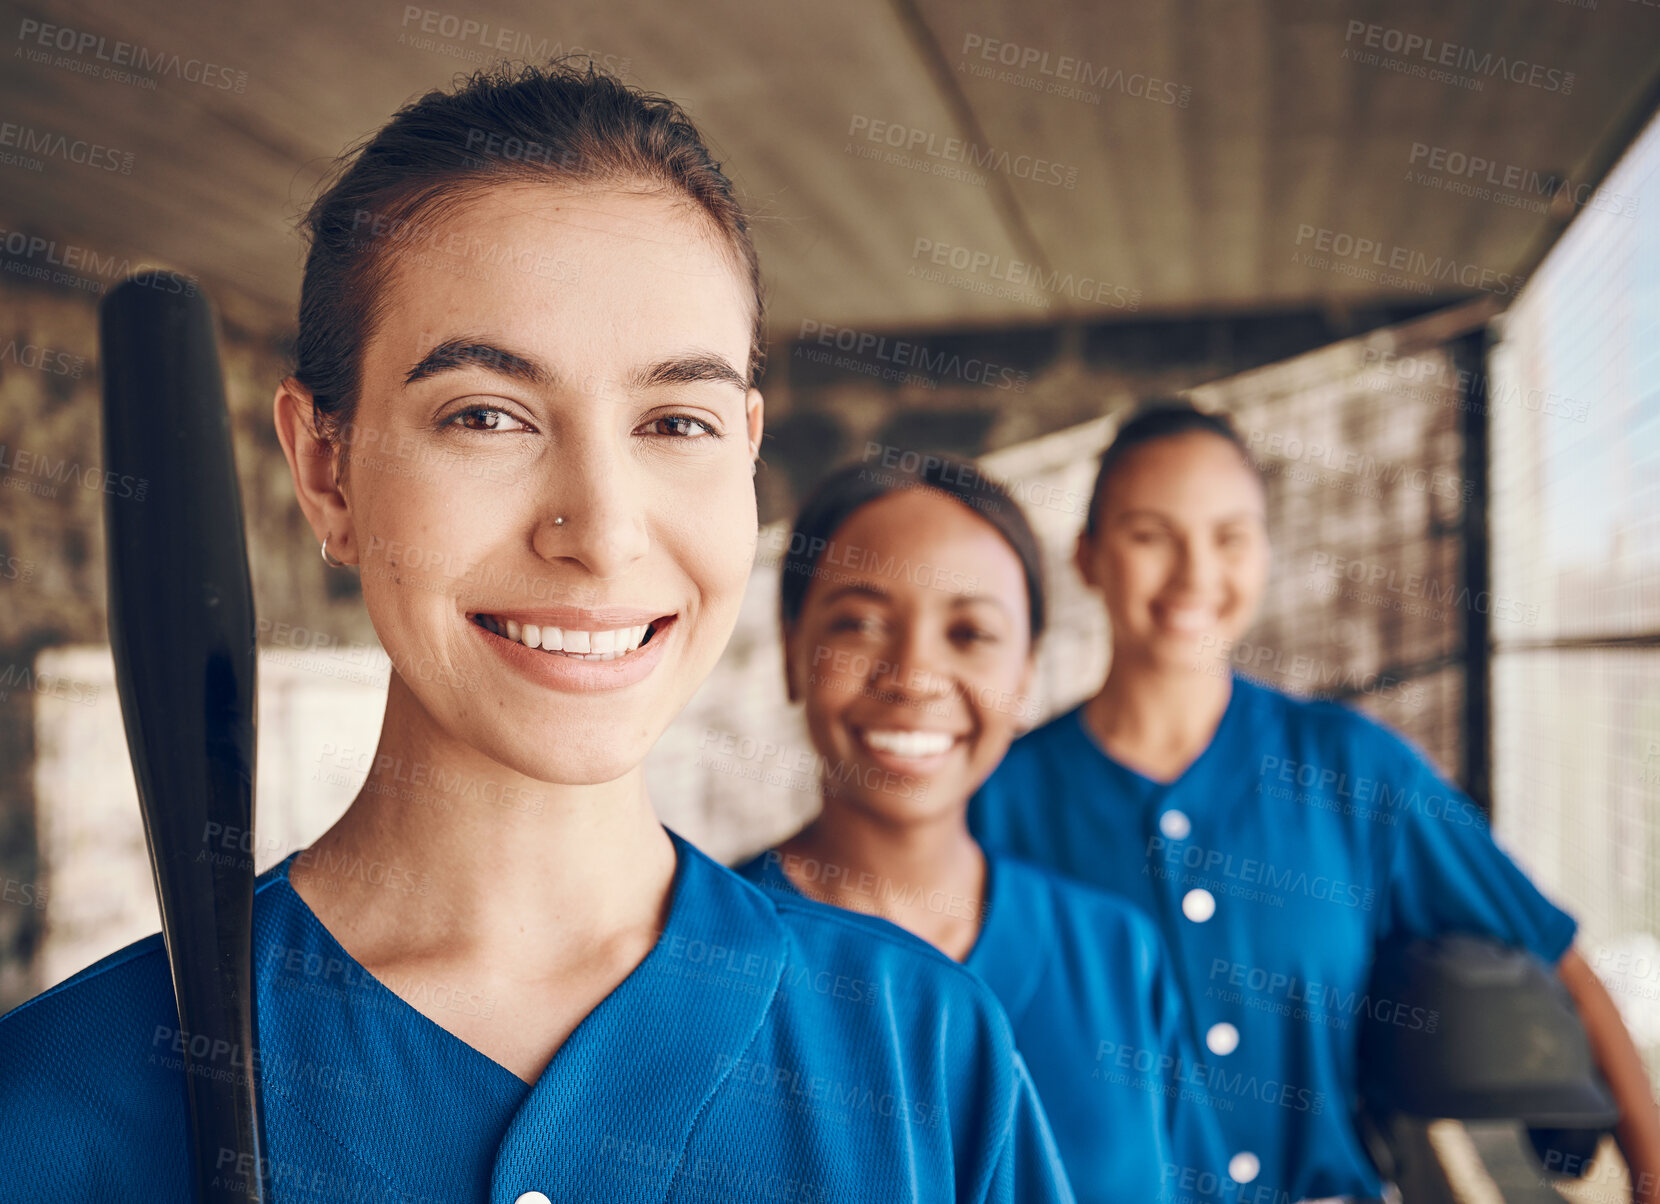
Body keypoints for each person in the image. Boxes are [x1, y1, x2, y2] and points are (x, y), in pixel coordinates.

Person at [0, 62, 1076, 1203]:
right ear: (326, 467)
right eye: (485, 413)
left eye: (676, 419)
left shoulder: (921, 1060)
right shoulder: (65, 1107)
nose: (602, 531)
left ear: (748, 449)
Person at [968, 401, 1660, 1203]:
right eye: (1150, 535)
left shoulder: (1354, 770)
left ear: (1265, 552)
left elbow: (1556, 953)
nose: (1196, 574)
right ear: (1087, 558)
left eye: (1230, 537)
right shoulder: (996, 800)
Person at [733, 455, 1231, 1203]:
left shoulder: (1115, 956)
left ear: (1027, 673)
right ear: (792, 649)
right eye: (860, 624)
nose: (914, 675)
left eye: (969, 633)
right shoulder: (702, 955)